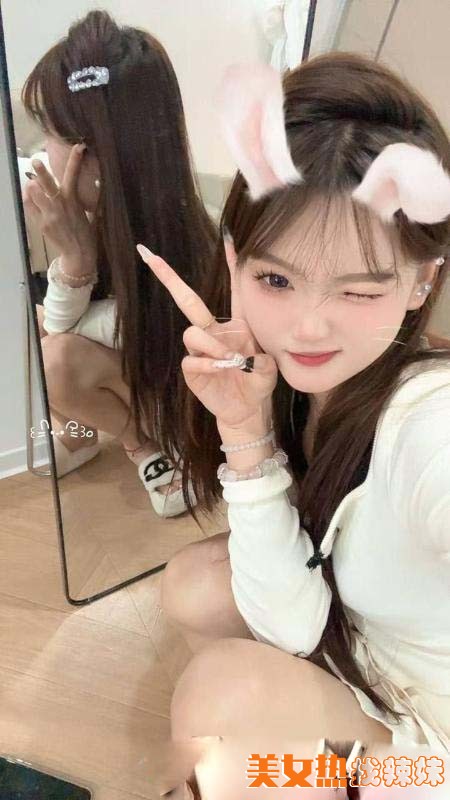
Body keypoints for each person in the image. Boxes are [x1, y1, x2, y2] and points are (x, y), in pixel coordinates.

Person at [137, 53, 450, 751]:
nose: (308, 328)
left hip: (425, 765)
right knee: (195, 584)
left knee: (223, 701)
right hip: (356, 664)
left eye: (359, 291)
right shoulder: (279, 381)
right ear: (233, 258)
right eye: (276, 281)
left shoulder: (429, 419)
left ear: (423, 282)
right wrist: (243, 425)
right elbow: (292, 624)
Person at [21, 9, 217, 516]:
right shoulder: (97, 215)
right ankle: (80, 433)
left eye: (49, 135)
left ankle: (147, 450)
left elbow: (76, 336)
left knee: (55, 355)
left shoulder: (176, 236)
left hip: (182, 403)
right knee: (35, 328)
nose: (42, 152)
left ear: (92, 153)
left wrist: (75, 260)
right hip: (140, 374)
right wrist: (75, 255)